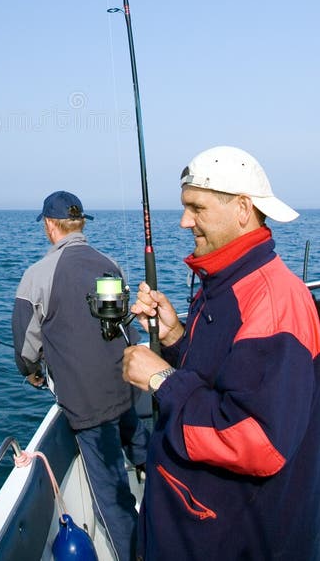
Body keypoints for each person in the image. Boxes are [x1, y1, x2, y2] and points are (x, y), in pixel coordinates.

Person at [122, 146, 320, 561]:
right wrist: (175, 336)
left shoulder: (274, 300)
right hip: (192, 525)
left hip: (228, 538)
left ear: (243, 209)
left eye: (197, 207)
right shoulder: (227, 282)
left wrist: (161, 379)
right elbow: (219, 378)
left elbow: (258, 440)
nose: (184, 221)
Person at [12, 190, 145, 561]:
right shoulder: (109, 264)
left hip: (88, 406)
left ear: (50, 226)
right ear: (80, 224)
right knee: (140, 443)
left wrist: (33, 374)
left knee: (112, 499)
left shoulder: (37, 276)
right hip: (126, 387)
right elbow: (117, 327)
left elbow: (25, 350)